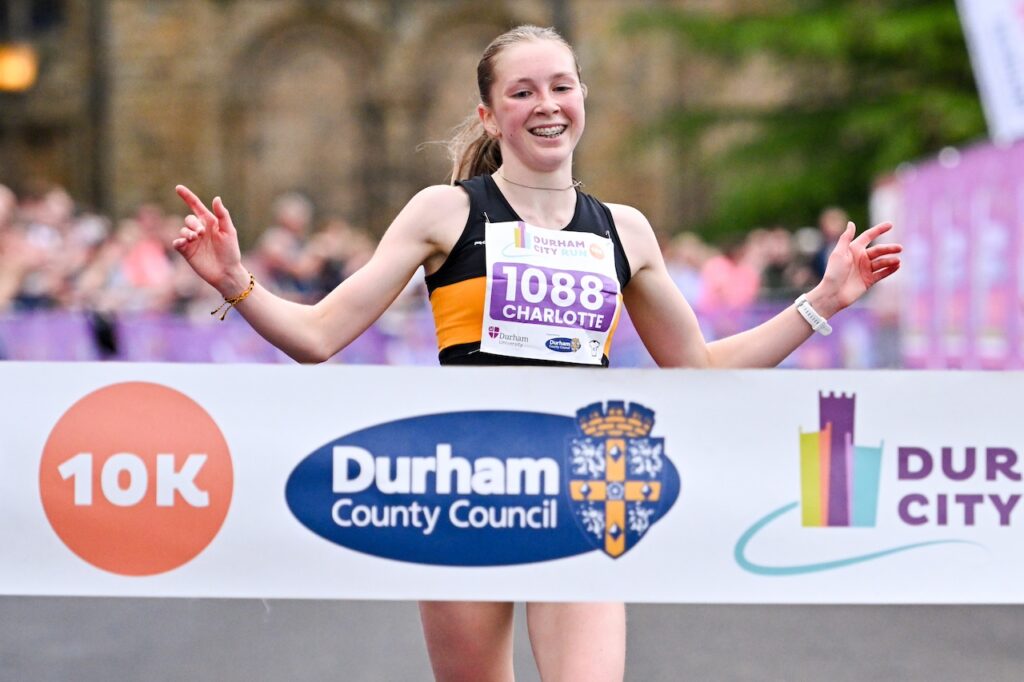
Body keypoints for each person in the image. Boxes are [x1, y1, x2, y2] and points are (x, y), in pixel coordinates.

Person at [173, 25, 902, 682]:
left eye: (560, 86)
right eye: (522, 92)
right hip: (464, 489)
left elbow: (700, 370)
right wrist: (235, 280)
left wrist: (824, 301)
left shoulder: (627, 230)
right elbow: (318, 335)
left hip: (582, 488)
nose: (546, 104)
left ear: (583, 96)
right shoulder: (446, 211)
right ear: (490, 115)